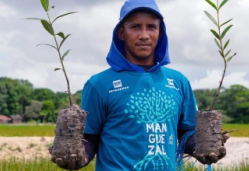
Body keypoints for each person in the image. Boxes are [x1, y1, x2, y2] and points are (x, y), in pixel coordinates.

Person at [51, 0, 228, 170]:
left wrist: (205, 146)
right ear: (121, 33)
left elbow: (185, 132)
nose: (144, 35)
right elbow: (90, 137)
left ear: (160, 32)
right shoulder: (99, 84)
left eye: (151, 27)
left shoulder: (178, 81)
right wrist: (76, 157)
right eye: (135, 27)